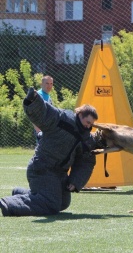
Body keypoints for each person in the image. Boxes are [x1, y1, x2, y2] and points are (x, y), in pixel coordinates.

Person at [0, 87, 103, 217]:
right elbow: (46, 112)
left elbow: (86, 161)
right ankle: (9, 204)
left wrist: (75, 181)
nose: (89, 126)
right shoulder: (63, 119)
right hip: (42, 168)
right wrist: (34, 100)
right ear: (80, 114)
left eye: (91, 124)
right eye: (87, 122)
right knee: (51, 204)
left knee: (63, 203)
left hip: (59, 173)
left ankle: (20, 193)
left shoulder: (86, 138)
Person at [33, 75, 54, 142]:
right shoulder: (39, 96)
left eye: (51, 83)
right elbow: (34, 114)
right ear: (41, 84)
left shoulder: (47, 96)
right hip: (41, 130)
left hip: (47, 129)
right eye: (47, 83)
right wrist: (38, 131)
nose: (49, 86)